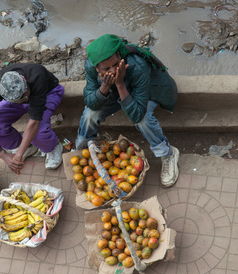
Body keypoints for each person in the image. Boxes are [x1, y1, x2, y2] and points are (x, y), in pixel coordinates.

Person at [75, 34, 179, 187]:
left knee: (144, 121)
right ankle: (85, 146)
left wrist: (120, 84)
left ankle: (168, 154)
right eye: (106, 69)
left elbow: (136, 115)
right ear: (97, 68)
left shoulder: (137, 66)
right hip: (114, 91)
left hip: (147, 91)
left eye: (116, 64)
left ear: (120, 56)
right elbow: (90, 100)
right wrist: (104, 86)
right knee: (90, 113)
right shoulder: (91, 66)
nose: (113, 70)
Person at [0, 63, 64, 175]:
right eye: (21, 99)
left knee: (39, 132)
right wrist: (3, 155)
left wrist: (18, 155)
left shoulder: (37, 75)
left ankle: (53, 147)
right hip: (15, 99)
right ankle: (26, 146)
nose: (25, 99)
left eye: (25, 95)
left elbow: (34, 123)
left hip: (47, 93)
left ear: (25, 82)